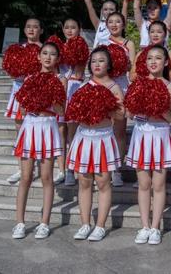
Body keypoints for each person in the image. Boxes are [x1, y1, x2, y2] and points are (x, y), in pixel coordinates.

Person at [66, 47, 125, 241]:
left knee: (103, 182)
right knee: (84, 181)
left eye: (101, 60)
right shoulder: (83, 86)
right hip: (84, 136)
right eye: (93, 61)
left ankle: (100, 226)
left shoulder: (114, 87)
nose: (97, 64)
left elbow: (121, 115)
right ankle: (85, 224)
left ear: (108, 64)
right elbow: (73, 114)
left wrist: (105, 107)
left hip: (103, 138)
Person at [11, 42, 66, 239]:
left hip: (48, 125)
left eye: (52, 54)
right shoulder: (30, 78)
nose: (48, 57)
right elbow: (22, 109)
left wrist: (50, 95)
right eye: (44, 53)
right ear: (38, 56)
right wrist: (32, 99)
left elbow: (61, 111)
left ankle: (44, 223)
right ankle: (19, 222)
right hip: (30, 125)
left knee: (46, 177)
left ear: (58, 59)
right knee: (26, 177)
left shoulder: (61, 79)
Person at [126, 45, 171, 245]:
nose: (153, 62)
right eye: (149, 58)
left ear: (165, 62)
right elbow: (129, 114)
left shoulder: (170, 86)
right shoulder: (137, 83)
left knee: (159, 184)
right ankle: (144, 226)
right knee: (144, 184)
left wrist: (158, 107)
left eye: (158, 58)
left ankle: (155, 227)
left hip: (160, 134)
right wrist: (139, 104)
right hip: (141, 134)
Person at [95, 11, 136, 187]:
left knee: (119, 131)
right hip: (103, 86)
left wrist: (122, 64)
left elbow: (132, 70)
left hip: (121, 86)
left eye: (117, 21)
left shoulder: (129, 43)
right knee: (102, 129)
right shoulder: (102, 43)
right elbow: (95, 66)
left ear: (123, 24)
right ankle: (101, 167)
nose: (114, 25)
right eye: (110, 22)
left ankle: (117, 170)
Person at [6, 17, 43, 184]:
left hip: (37, 91)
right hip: (19, 89)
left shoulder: (44, 49)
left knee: (36, 129)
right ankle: (22, 168)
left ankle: (37, 167)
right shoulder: (18, 49)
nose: (31, 29)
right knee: (20, 130)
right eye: (28, 27)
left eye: (35, 27)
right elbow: (11, 71)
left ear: (41, 30)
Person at [56, 18, 86, 187]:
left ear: (79, 29)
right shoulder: (57, 47)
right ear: (62, 29)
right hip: (60, 88)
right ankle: (61, 169)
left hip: (74, 87)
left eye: (73, 27)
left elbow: (79, 71)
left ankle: (71, 169)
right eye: (66, 27)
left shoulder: (81, 46)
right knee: (60, 131)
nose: (69, 30)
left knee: (72, 132)